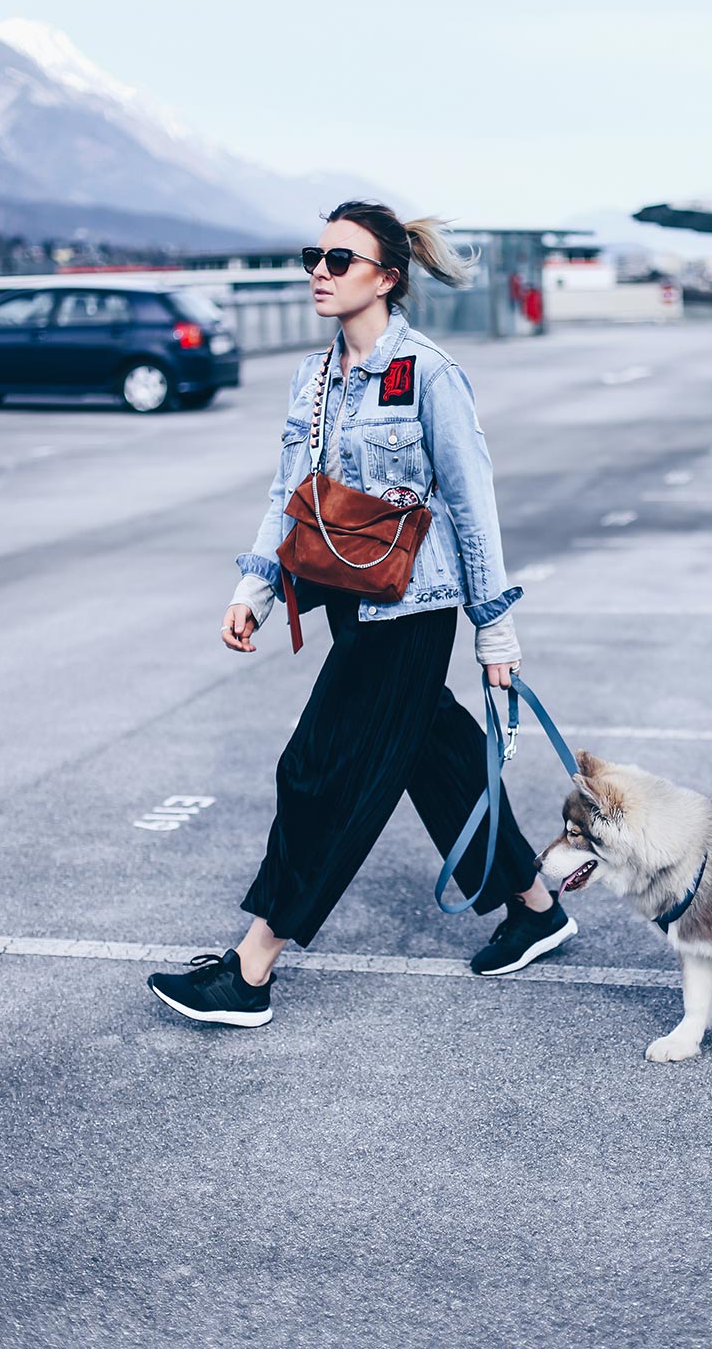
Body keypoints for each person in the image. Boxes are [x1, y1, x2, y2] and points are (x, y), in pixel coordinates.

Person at [147, 200, 578, 1027]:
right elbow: (289, 492)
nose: (318, 271)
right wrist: (256, 589)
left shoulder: (431, 375)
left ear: (385, 278)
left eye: (339, 260)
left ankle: (251, 968)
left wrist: (495, 625)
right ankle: (534, 907)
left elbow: (472, 505)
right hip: (346, 599)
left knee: (321, 767)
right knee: (434, 750)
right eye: (315, 255)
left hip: (414, 607)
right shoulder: (313, 378)